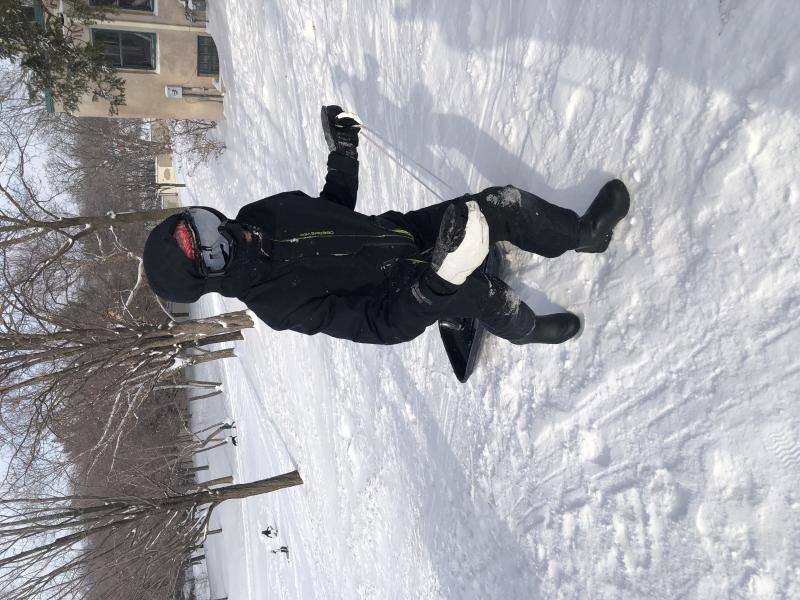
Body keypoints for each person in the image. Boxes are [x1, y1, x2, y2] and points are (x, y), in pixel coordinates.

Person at [143, 106, 630, 346]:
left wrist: (344, 155)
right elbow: (380, 325)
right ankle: (526, 329)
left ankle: (582, 235)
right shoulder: (278, 304)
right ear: (212, 277)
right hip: (405, 288)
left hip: (399, 233)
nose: (226, 234)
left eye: (203, 222)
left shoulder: (258, 215)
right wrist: (440, 280)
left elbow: (330, 211)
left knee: (497, 205)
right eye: (212, 251)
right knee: (481, 292)